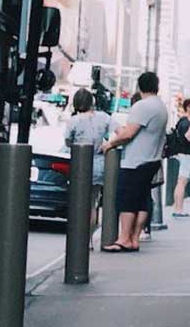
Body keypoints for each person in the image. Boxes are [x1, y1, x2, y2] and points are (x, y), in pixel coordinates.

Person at [101, 70, 168, 253]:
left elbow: (129, 133)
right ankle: (134, 238)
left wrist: (110, 144)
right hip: (152, 159)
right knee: (141, 201)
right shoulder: (161, 106)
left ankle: (124, 239)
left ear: (140, 86)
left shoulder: (142, 106)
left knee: (127, 201)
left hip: (135, 161)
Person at [63, 87, 111, 243]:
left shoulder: (74, 121)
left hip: (80, 164)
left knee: (79, 202)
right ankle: (89, 239)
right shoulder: (103, 117)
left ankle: (80, 240)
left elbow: (68, 141)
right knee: (93, 204)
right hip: (99, 164)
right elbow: (118, 131)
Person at [170, 97, 190, 217]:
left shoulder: (181, 121)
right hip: (187, 155)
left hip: (185, 154)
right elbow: (188, 137)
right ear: (188, 107)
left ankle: (178, 208)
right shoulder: (186, 122)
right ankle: (178, 209)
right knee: (182, 181)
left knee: (182, 181)